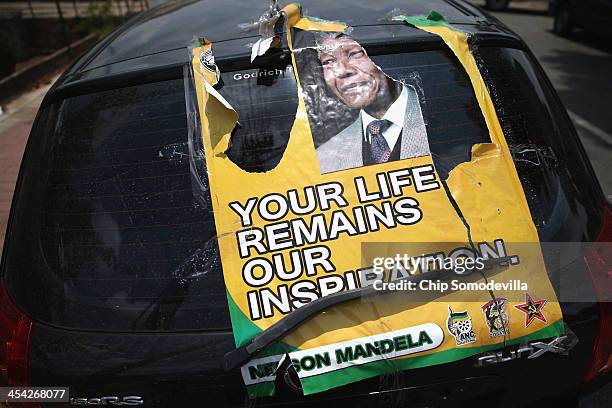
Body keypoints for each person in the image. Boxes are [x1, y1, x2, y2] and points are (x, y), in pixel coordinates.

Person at [314, 35, 430, 174]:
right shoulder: (325, 159)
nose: (343, 70)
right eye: (329, 61)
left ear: (386, 58)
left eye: (355, 54)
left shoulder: (447, 117)